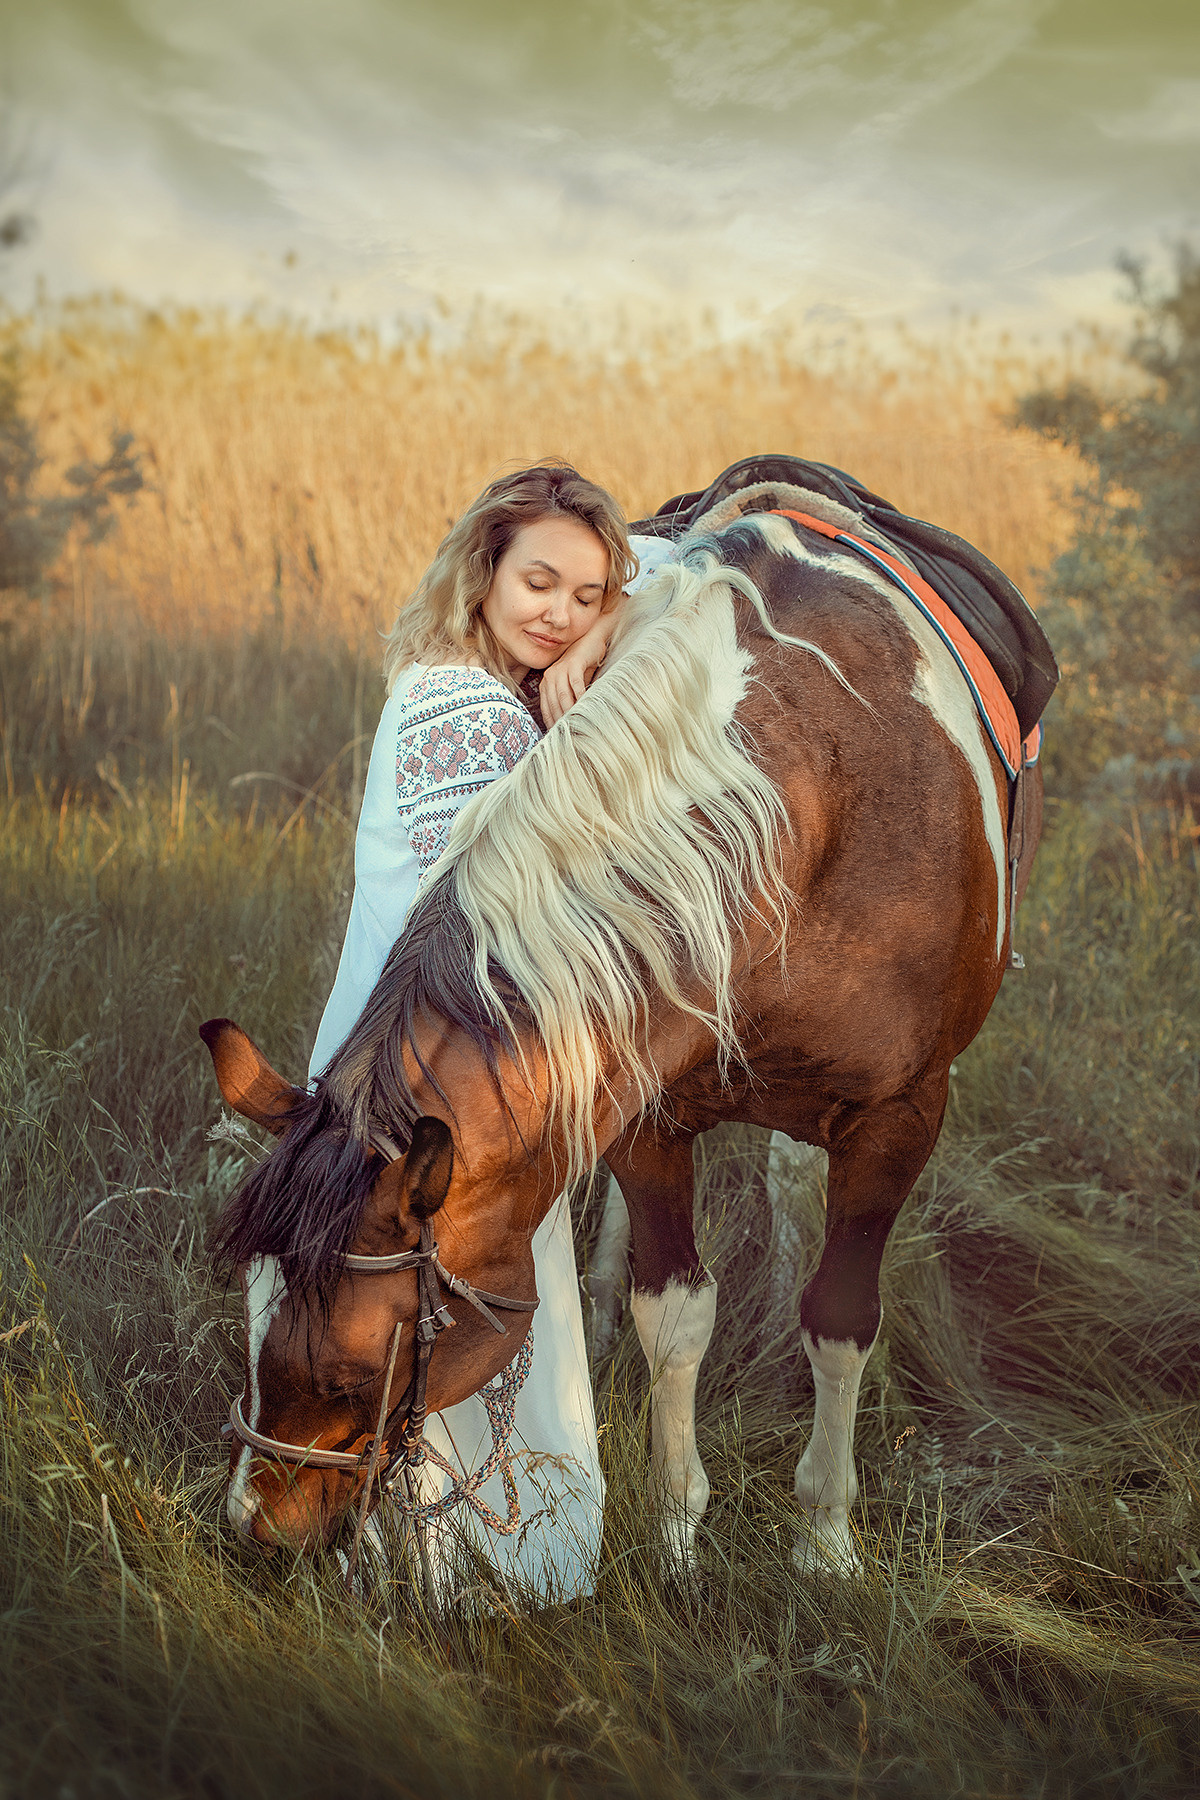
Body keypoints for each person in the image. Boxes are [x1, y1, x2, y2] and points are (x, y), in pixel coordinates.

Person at [309, 462, 650, 1606]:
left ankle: (433, 1561)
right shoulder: (464, 708)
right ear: (485, 571)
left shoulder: (475, 689)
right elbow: (500, 910)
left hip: (419, 1069)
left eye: (589, 599)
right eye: (538, 581)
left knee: (406, 1317)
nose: (557, 612)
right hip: (427, 1085)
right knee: (424, 1314)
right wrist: (566, 747)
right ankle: (458, 1573)